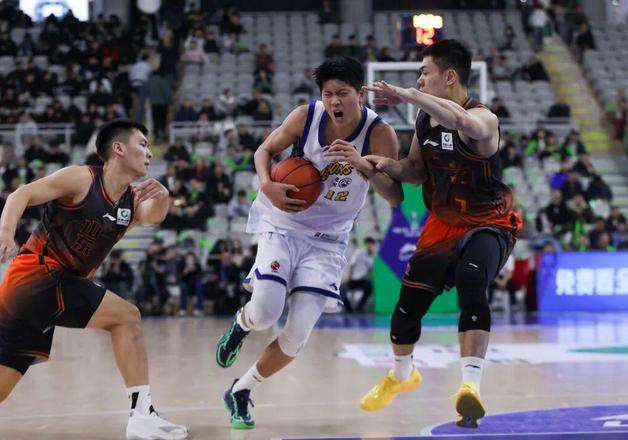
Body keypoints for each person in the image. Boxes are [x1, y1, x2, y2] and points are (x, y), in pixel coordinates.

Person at [215, 56, 403, 429]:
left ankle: (241, 390)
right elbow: (263, 151)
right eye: (328, 93)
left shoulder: (380, 134)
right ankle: (242, 323)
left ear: (359, 93)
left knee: (296, 336)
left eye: (342, 93)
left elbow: (395, 196)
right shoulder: (307, 116)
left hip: (329, 240)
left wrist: (363, 164)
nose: (334, 101)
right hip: (285, 223)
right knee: (265, 313)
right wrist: (266, 184)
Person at [0, 120, 188, 440]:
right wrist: (6, 231)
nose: (150, 153)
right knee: (127, 317)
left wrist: (164, 197)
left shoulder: (130, 202)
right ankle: (142, 415)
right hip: (36, 277)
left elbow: (153, 215)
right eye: (142, 144)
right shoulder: (82, 178)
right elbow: (22, 193)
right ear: (118, 148)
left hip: (37, 292)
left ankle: (143, 416)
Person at [360, 40, 522, 429]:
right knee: (406, 308)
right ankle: (402, 373)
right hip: (441, 223)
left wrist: (408, 95)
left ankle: (470, 387)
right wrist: (385, 165)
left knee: (471, 279)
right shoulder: (423, 121)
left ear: (449, 76)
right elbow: (414, 172)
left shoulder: (484, 118)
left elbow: (464, 124)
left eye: (424, 72)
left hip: (487, 221)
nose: (419, 79)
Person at [342, 237, 377, 313]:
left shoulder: (373, 257)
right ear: (366, 244)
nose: (370, 246)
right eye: (369, 244)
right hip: (353, 278)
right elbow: (351, 265)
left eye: (372, 244)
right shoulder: (359, 252)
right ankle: (349, 309)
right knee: (342, 289)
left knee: (370, 287)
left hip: (362, 279)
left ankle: (359, 308)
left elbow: (371, 270)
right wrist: (349, 278)